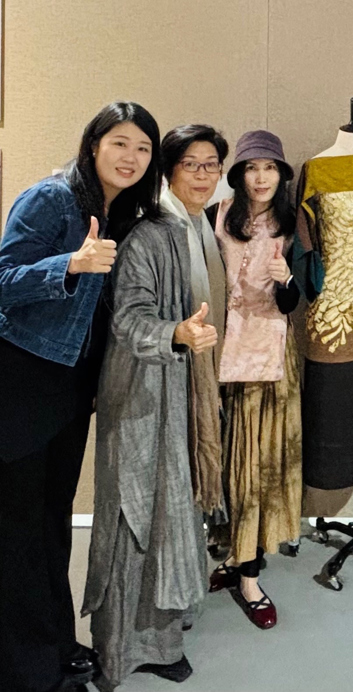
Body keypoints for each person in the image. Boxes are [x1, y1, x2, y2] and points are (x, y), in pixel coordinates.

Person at [0, 102, 160, 692]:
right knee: (17, 528)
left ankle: (57, 645)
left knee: (53, 521)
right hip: (21, 379)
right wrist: (69, 263)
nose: (130, 157)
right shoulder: (51, 198)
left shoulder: (123, 213)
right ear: (94, 144)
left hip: (69, 386)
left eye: (142, 148)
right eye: (120, 143)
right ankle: (26, 671)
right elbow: (2, 280)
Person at [82, 124, 228, 689]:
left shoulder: (197, 226)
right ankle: (127, 647)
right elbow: (128, 318)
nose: (203, 174)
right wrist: (176, 335)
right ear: (169, 171)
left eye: (212, 164)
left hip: (180, 384)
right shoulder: (150, 233)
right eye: (191, 164)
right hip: (143, 391)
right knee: (138, 513)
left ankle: (165, 626)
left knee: (172, 509)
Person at [206, 130, 302, 629]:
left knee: (261, 467)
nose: (261, 177)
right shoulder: (216, 216)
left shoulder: (294, 223)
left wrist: (287, 281)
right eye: (251, 167)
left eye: (270, 167)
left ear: (282, 175)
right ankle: (231, 554)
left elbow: (295, 301)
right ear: (238, 175)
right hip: (220, 355)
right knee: (226, 464)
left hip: (271, 359)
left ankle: (250, 575)